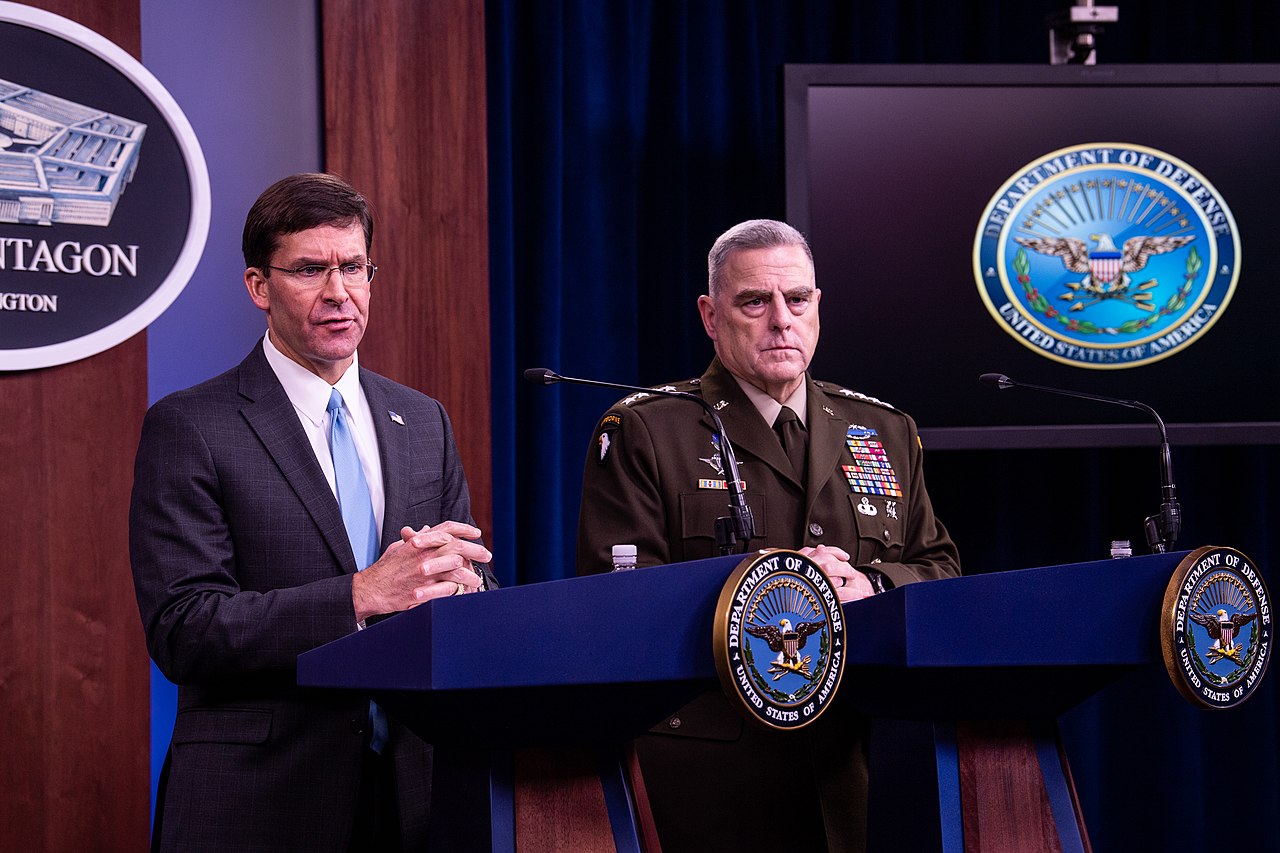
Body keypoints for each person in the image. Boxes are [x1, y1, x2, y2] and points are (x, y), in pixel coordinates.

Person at [130, 173, 493, 852]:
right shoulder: (192, 426)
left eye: (354, 266)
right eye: (309, 269)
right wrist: (360, 594)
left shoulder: (422, 420)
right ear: (258, 287)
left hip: (412, 800)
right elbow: (184, 627)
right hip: (261, 801)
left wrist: (466, 589)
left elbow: (452, 587)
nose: (339, 291)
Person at [577, 219, 960, 851]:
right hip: (711, 775)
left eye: (797, 300)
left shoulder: (885, 429)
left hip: (862, 766)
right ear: (709, 314)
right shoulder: (648, 430)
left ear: (818, 308)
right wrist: (774, 590)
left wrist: (871, 584)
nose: (781, 319)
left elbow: (940, 570)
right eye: (755, 301)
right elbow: (615, 608)